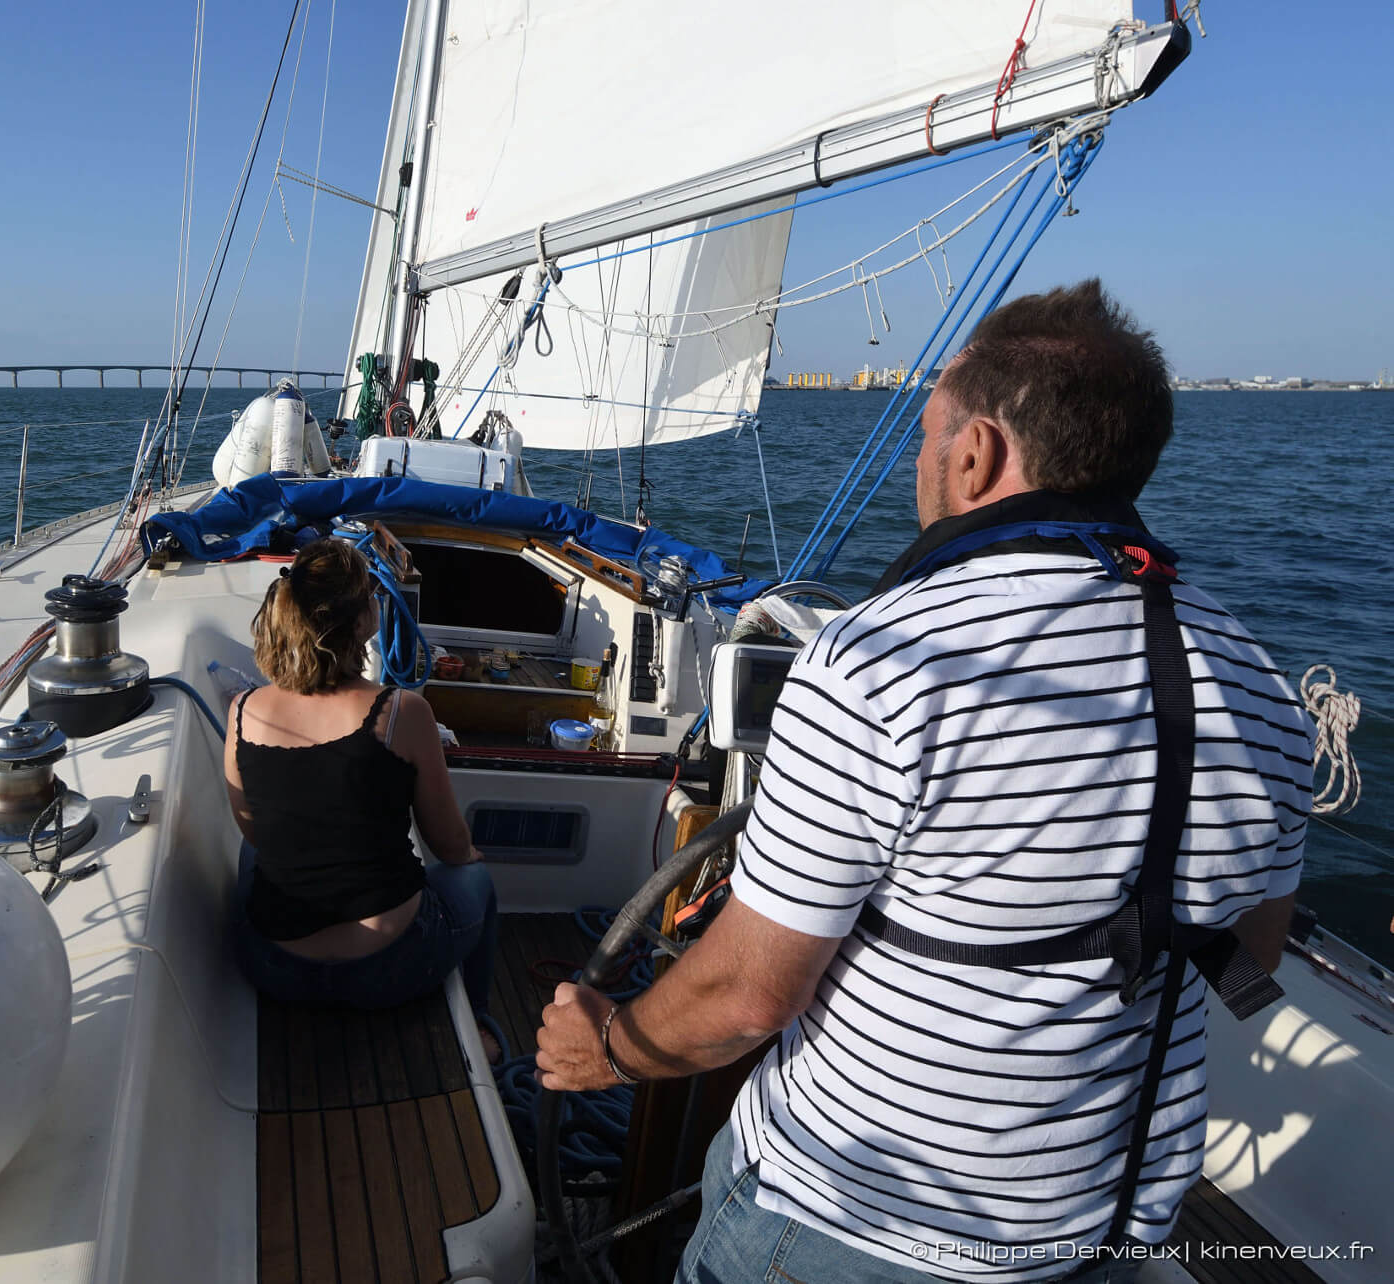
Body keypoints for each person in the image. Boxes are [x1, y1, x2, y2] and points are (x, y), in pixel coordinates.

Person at [536, 280, 1314, 1282]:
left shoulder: (882, 663)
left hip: (844, 1232)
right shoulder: (1261, 687)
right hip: (1094, 1242)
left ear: (976, 452)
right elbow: (1250, 947)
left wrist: (609, 1047)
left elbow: (745, 998)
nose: (919, 459)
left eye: (925, 433)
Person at [224, 536, 501, 1042]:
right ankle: (481, 1026)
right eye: (372, 594)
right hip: (388, 967)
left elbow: (255, 832)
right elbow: (450, 847)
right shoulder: (401, 712)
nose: (378, 599)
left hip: (276, 966)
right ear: (358, 623)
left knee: (249, 852)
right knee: (478, 883)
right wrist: (470, 854)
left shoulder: (243, 709)